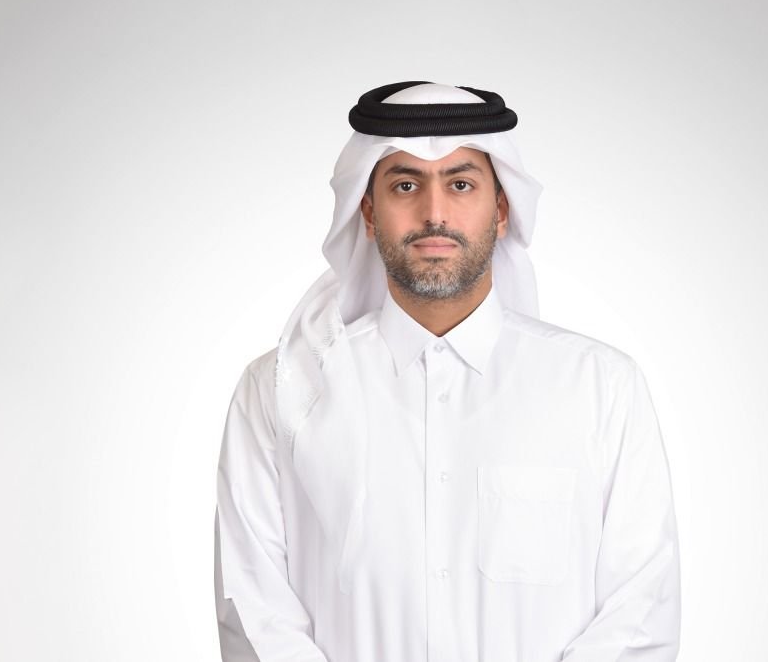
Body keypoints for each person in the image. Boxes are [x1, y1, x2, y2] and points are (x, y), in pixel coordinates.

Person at [214, 81, 681, 661]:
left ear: (501, 210)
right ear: (368, 213)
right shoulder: (280, 391)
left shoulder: (601, 387)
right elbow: (253, 607)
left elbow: (641, 609)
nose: (434, 214)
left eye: (460, 184)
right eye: (405, 185)